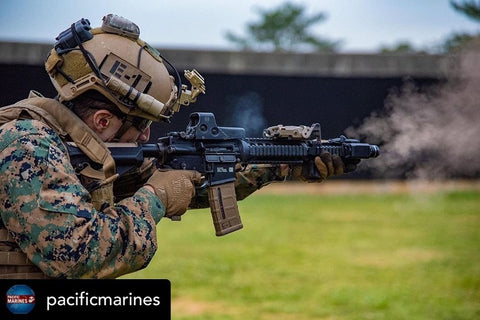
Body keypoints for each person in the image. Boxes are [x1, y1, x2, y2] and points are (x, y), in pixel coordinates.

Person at [0, 14, 357, 279]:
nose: (145, 138)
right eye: (140, 125)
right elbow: (78, 255)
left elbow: (196, 184)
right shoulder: (28, 147)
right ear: (103, 121)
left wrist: (285, 163)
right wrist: (155, 198)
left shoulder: (78, 151)